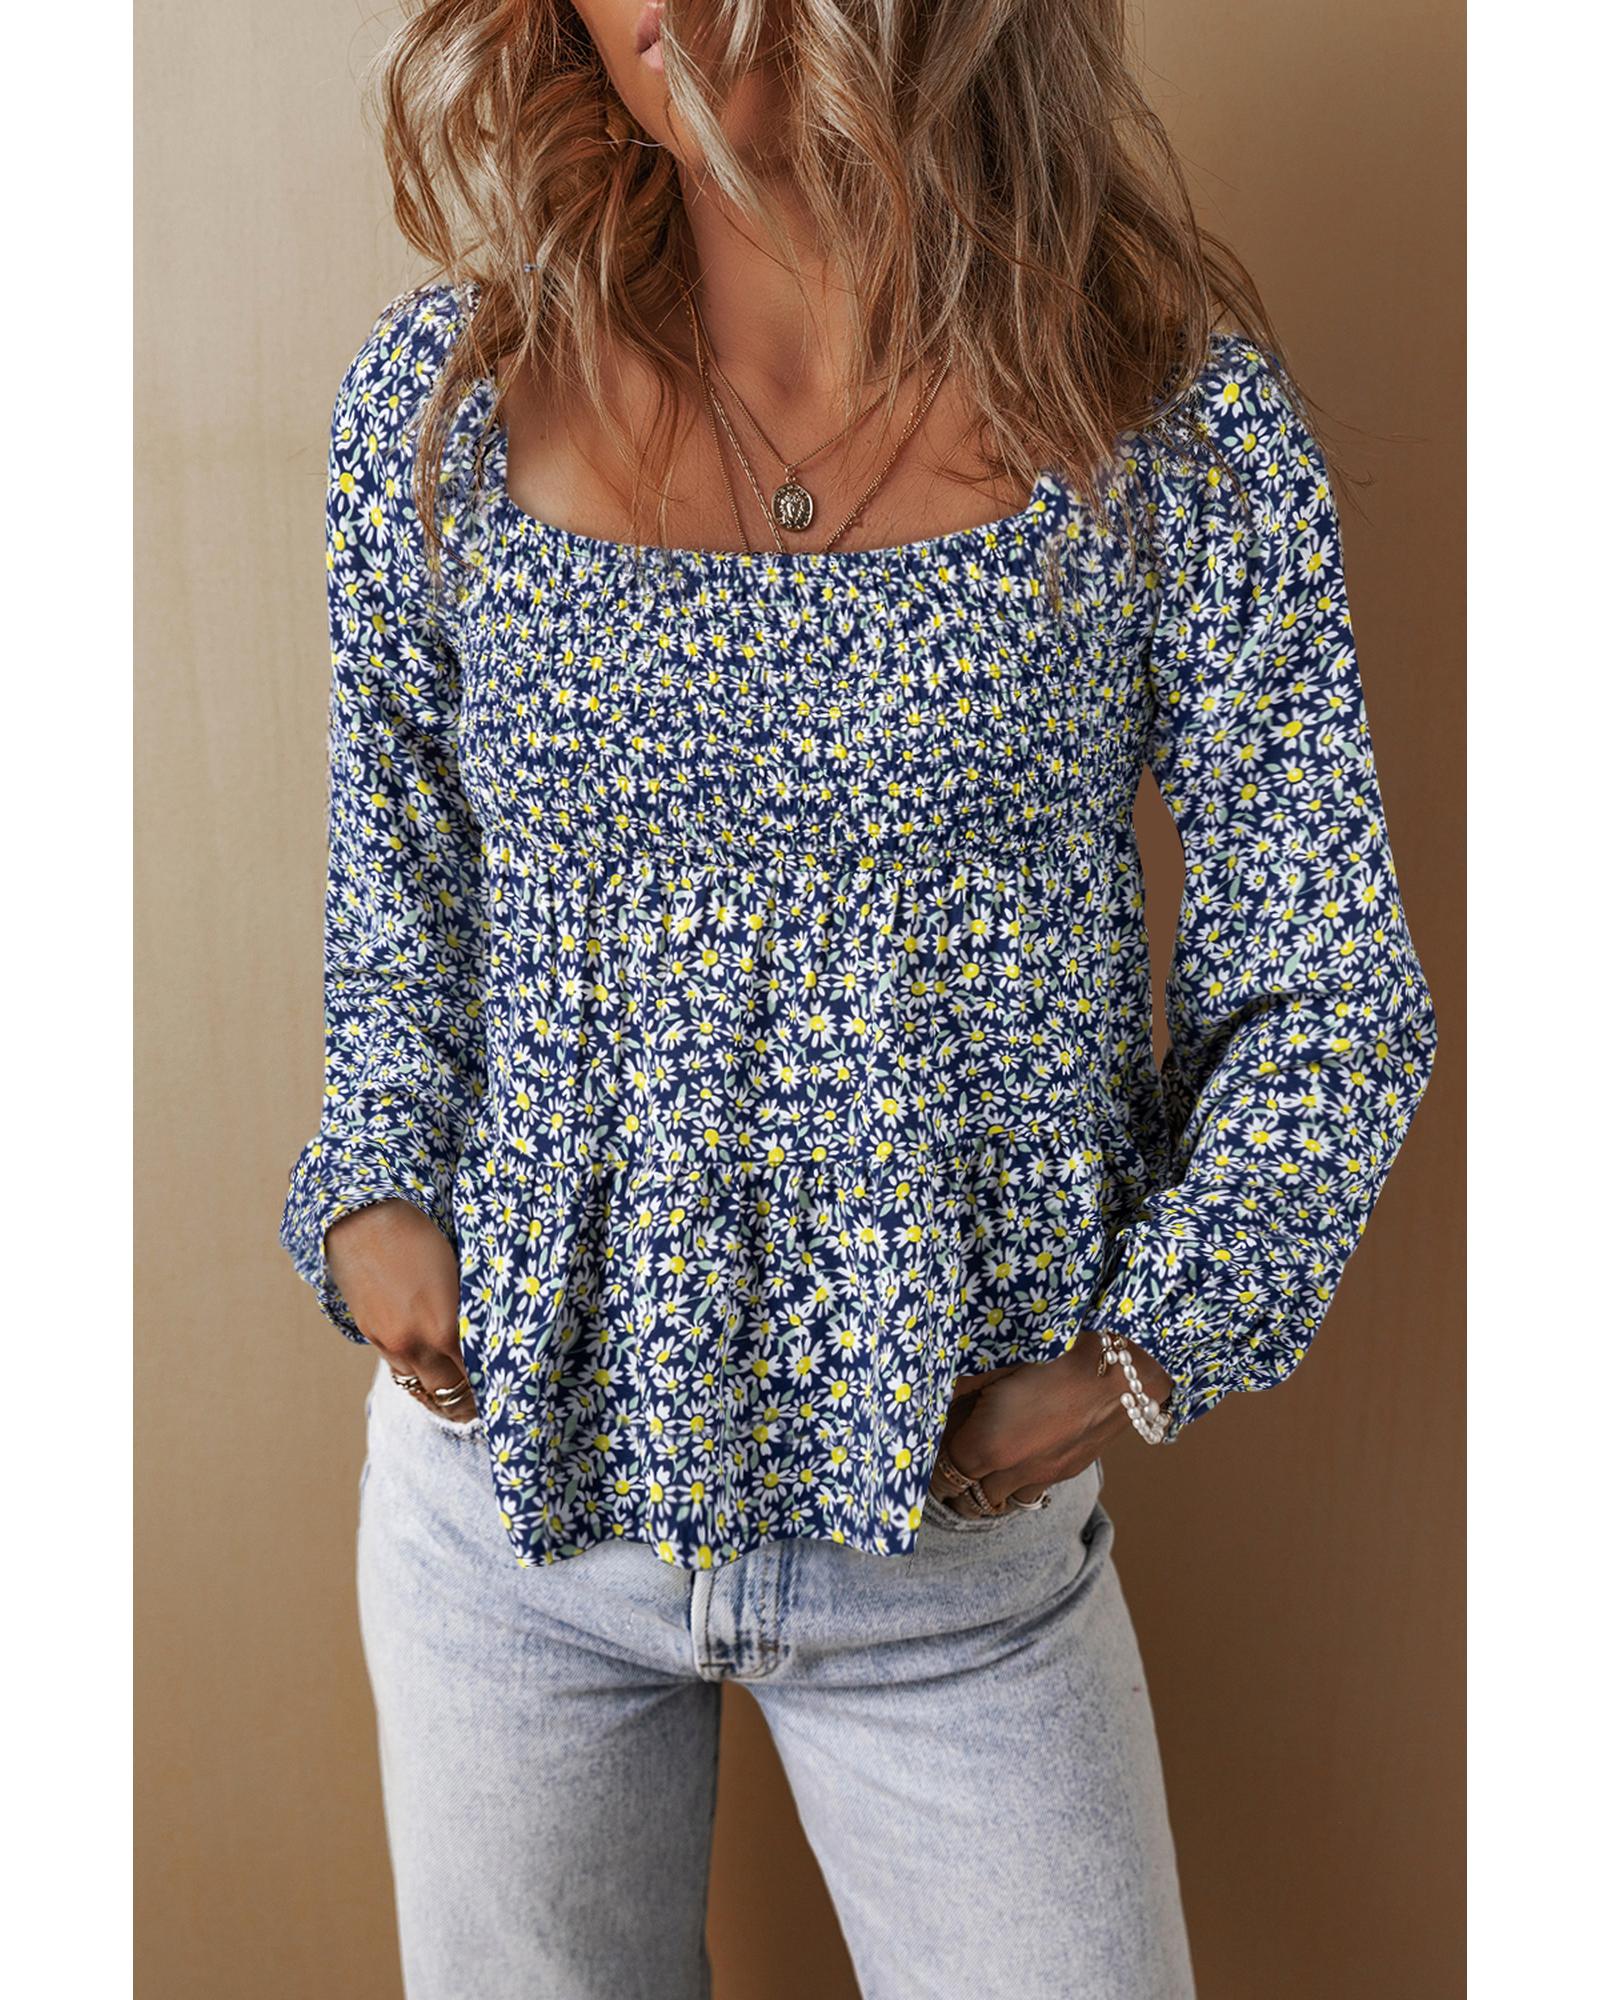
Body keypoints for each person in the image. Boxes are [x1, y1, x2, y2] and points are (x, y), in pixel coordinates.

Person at [277, 4, 1438, 1995]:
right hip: (509, 1524)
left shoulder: (1164, 430)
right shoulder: (448, 403)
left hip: (950, 1558)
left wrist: (1141, 1352)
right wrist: (377, 1195)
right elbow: (402, 907)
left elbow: (1324, 978)